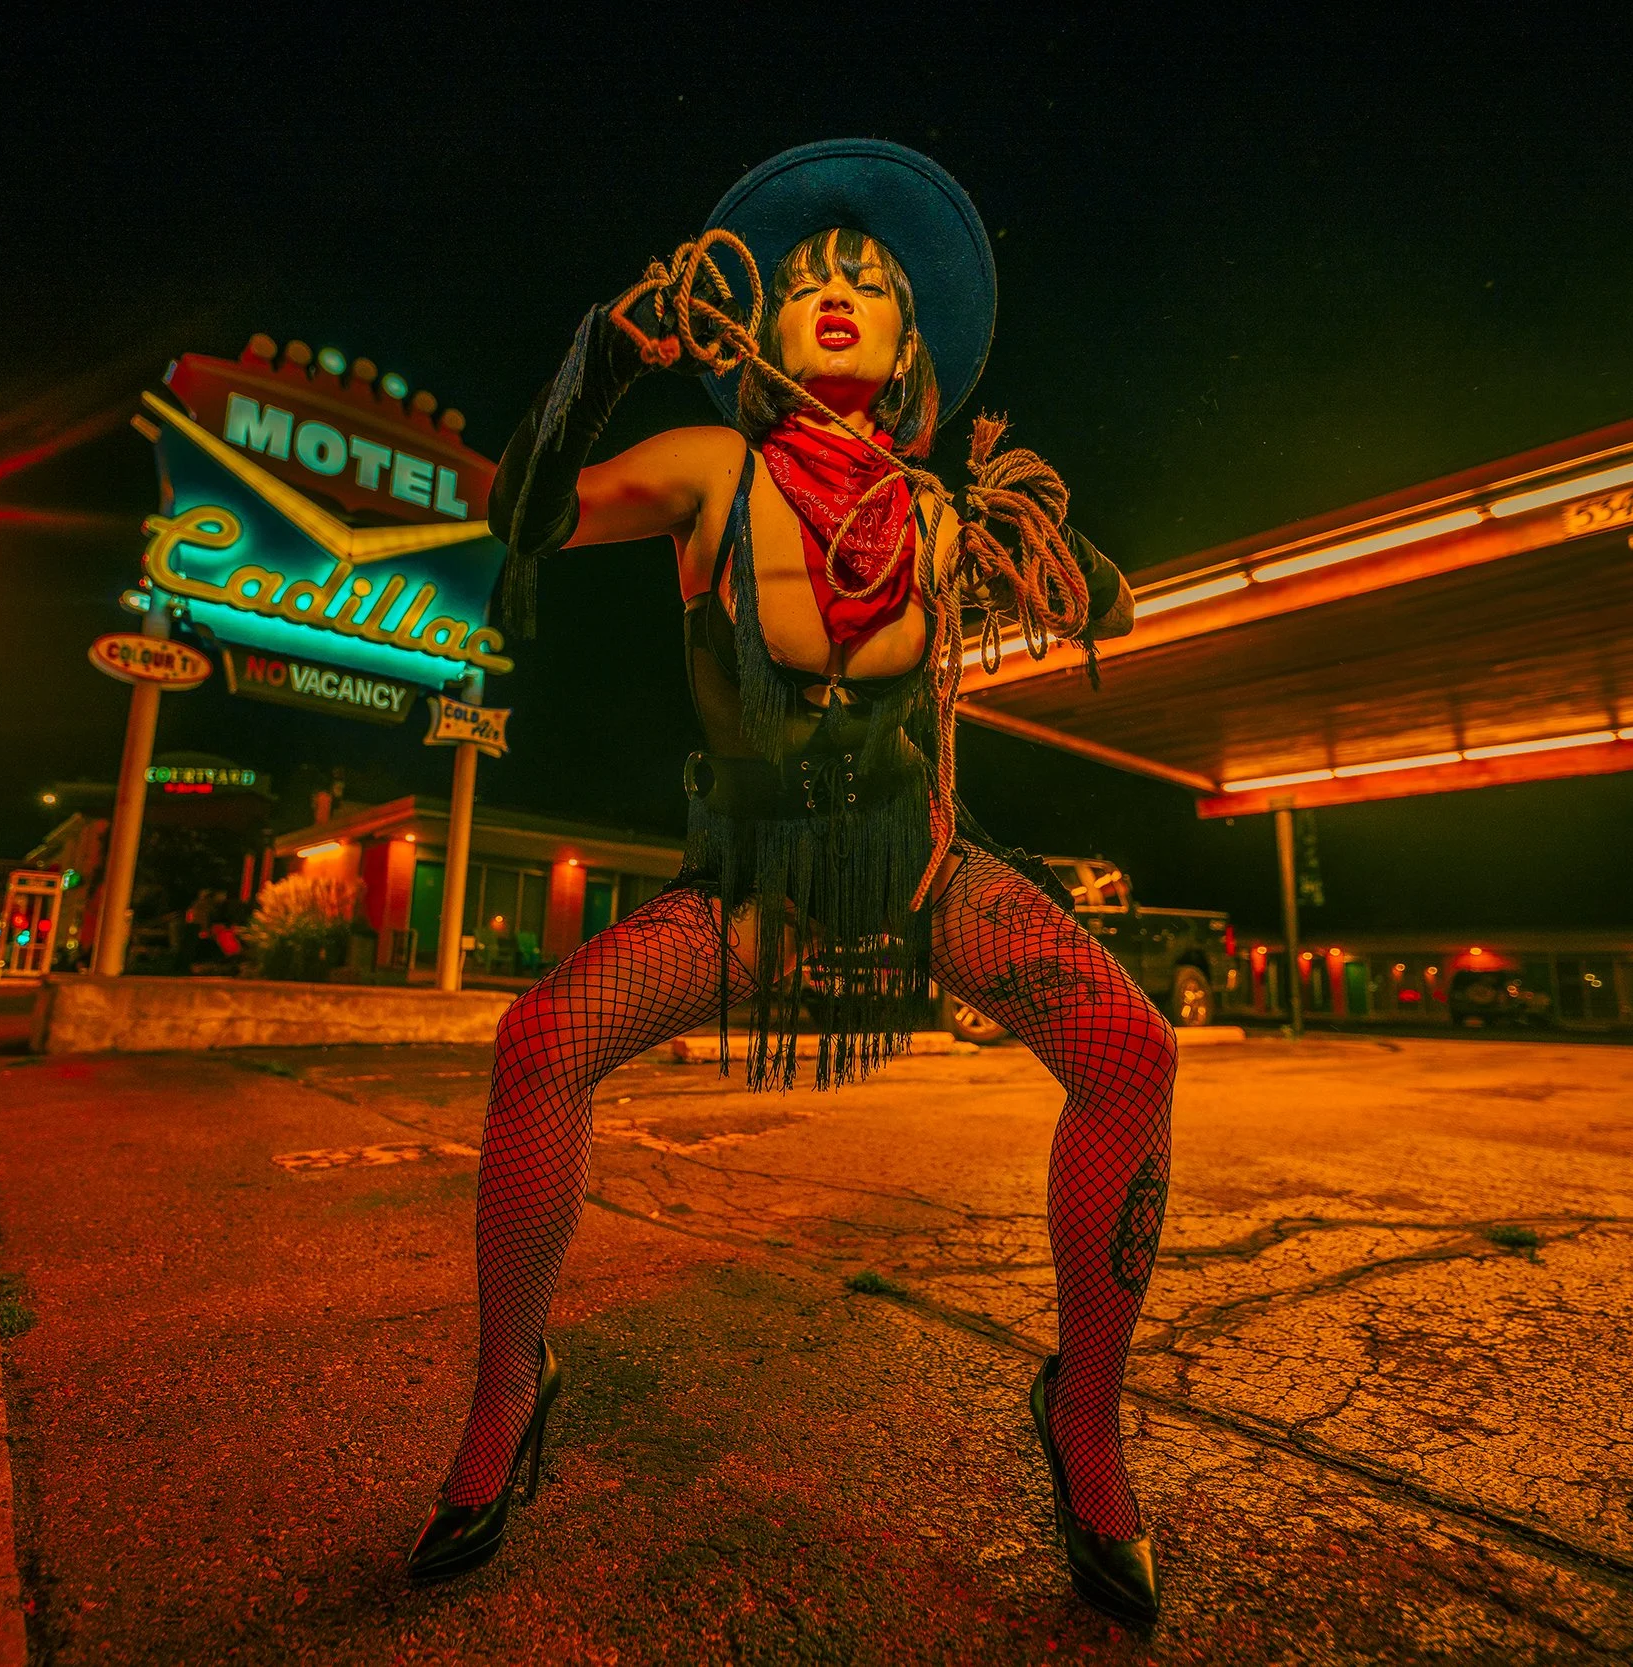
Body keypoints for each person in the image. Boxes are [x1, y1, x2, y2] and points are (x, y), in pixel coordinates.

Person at [406, 141, 1175, 1628]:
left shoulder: (945, 516)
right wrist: (604, 364)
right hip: (756, 889)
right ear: (756, 330)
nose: (838, 291)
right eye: (814, 276)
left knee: (1133, 1052)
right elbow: (526, 514)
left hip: (923, 877)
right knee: (537, 1046)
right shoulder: (713, 473)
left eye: (872, 287)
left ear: (907, 352)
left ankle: (1083, 1417)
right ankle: (514, 1380)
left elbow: (1111, 603)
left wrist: (1031, 526)